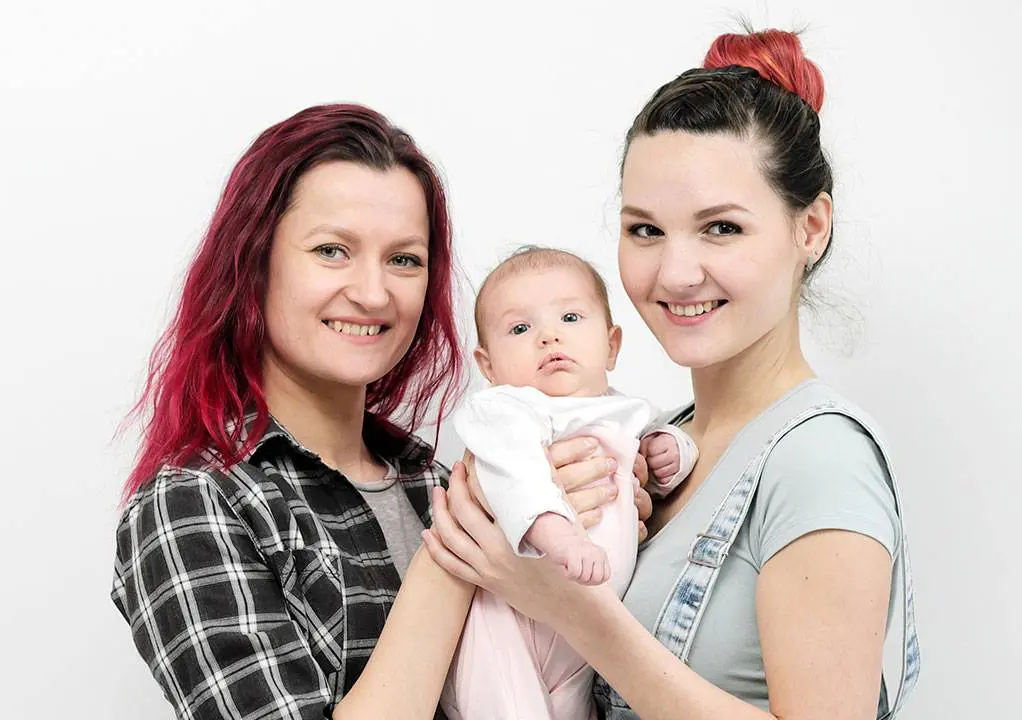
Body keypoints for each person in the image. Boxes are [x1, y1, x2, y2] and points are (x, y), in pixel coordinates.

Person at [423, 28, 920, 720]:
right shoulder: (663, 443)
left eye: (721, 228)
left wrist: (572, 610)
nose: (676, 273)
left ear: (810, 228)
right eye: (646, 230)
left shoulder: (818, 462)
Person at [109, 104, 649, 720]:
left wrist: (615, 510)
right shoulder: (192, 504)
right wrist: (467, 541)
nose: (372, 293)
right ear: (253, 263)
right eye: (332, 250)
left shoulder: (433, 478)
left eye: (404, 259)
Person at [440, 247, 698, 720]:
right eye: (520, 329)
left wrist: (671, 453)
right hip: (510, 619)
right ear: (489, 365)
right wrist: (557, 536)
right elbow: (517, 474)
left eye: (571, 317)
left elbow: (645, 481)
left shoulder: (627, 412)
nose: (549, 336)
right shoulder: (506, 411)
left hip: (582, 634)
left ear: (611, 345)